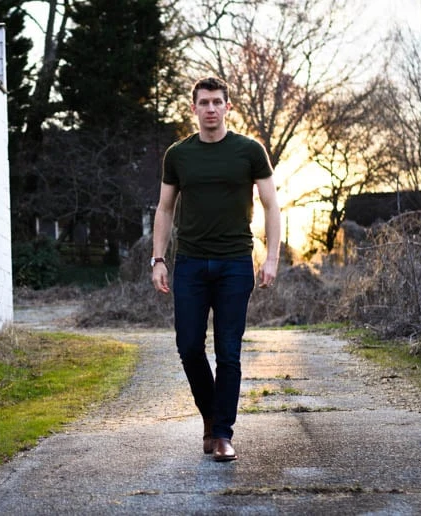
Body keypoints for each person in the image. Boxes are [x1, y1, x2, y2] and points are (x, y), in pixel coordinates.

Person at [151, 77, 281, 462]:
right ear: (193, 108)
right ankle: (211, 417)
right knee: (189, 347)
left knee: (228, 352)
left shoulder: (249, 151)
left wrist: (271, 258)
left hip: (235, 264)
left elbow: (272, 205)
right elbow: (164, 208)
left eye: (217, 102)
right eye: (203, 102)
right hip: (189, 263)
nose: (210, 108)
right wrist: (158, 259)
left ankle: (222, 434)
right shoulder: (178, 155)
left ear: (228, 107)